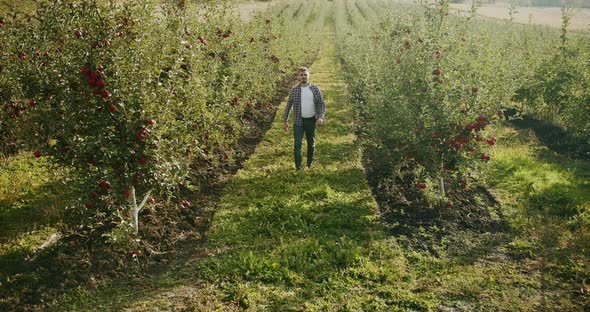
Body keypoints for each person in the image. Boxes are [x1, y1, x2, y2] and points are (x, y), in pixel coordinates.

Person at [283, 66, 326, 171]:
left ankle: (309, 164)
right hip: (298, 121)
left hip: (311, 120)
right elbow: (288, 105)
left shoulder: (315, 89)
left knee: (311, 143)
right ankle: (298, 167)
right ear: (298, 77)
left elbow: (321, 103)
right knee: (297, 144)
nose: (303, 77)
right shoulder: (294, 90)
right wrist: (285, 120)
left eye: (305, 75)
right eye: (301, 75)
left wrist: (320, 116)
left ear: (308, 76)